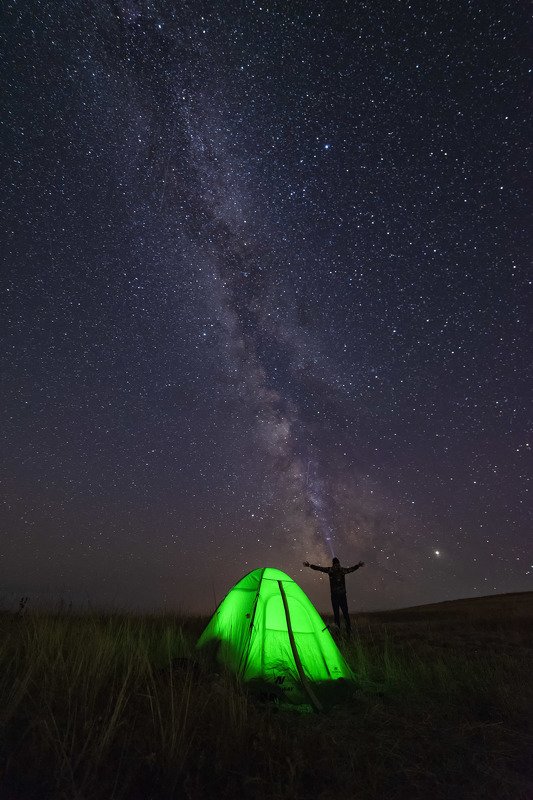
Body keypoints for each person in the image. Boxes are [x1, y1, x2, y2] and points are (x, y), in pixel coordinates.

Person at [303, 557, 364, 634]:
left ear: (333, 563)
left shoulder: (330, 570)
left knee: (336, 614)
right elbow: (351, 569)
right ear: (339, 563)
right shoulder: (342, 570)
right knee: (345, 613)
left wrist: (309, 565)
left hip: (334, 595)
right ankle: (348, 631)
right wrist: (358, 565)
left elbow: (319, 568)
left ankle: (338, 631)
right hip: (342, 595)